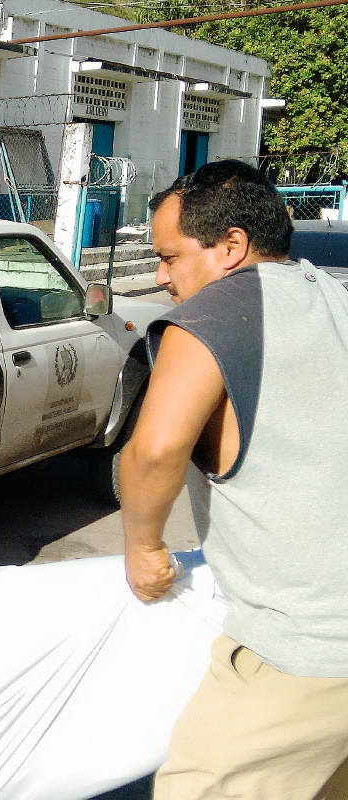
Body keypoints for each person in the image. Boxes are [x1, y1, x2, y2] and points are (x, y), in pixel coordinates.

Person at [119, 159, 348, 798]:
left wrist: (143, 548)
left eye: (169, 256)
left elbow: (153, 452)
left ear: (232, 248)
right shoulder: (335, 295)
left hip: (305, 656)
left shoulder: (215, 315)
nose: (162, 277)